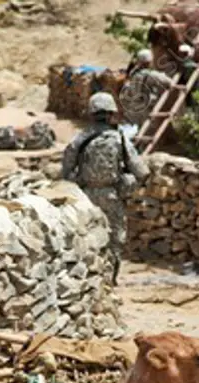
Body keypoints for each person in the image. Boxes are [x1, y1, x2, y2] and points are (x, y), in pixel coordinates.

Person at [61, 92, 150, 286]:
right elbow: (141, 170)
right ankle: (110, 279)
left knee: (86, 236)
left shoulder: (81, 138)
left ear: (91, 113)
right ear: (111, 114)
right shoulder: (120, 138)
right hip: (111, 195)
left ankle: (89, 278)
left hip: (85, 196)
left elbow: (66, 169)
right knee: (115, 237)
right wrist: (130, 182)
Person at [118, 49, 175, 127]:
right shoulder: (150, 75)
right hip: (147, 110)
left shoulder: (133, 74)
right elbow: (169, 82)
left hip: (134, 110)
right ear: (150, 62)